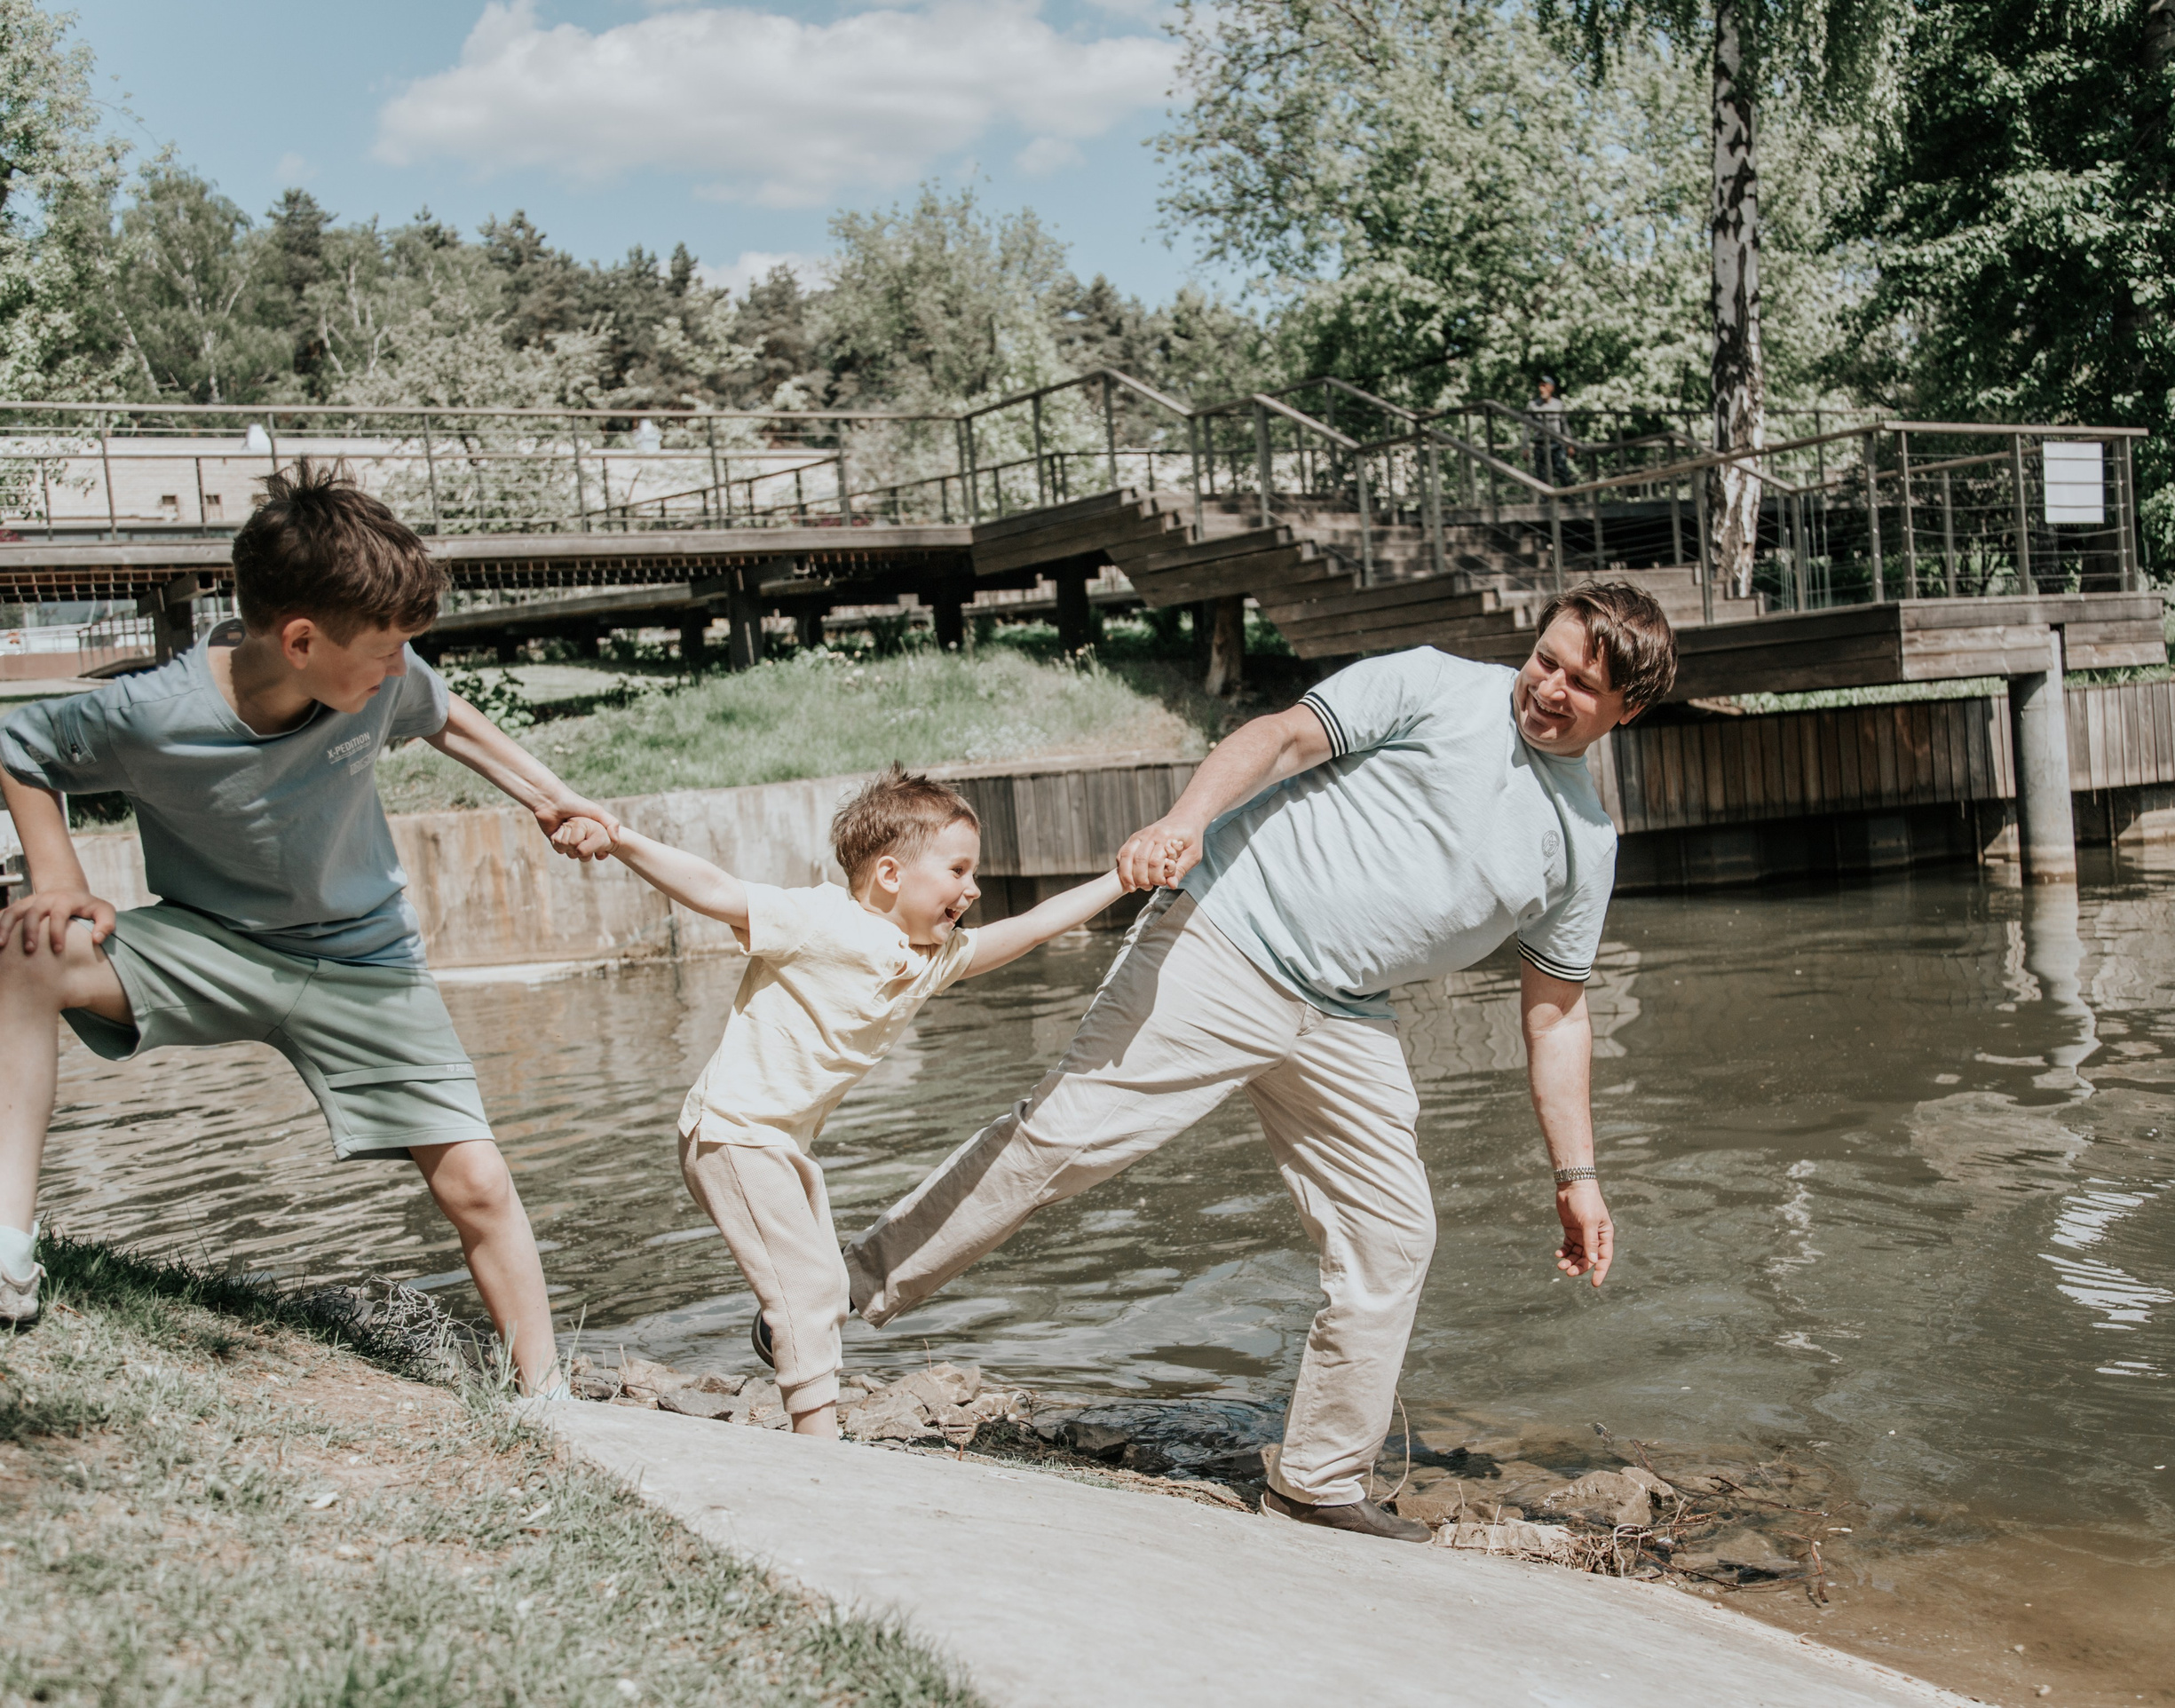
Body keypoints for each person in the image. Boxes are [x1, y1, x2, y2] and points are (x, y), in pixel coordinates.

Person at [842, 582, 1675, 1542]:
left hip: (1347, 1012)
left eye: (1580, 683)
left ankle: (1318, 1477)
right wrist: (1186, 820)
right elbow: (1277, 739)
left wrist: (1578, 1177)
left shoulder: (1583, 842)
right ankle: (844, 1293)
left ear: (1627, 709)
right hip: (1228, 931)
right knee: (1063, 1142)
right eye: (1546, 659)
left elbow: (1558, 1015)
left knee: (1392, 1236)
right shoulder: (1438, 685)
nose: (1548, 687)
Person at [0, 463, 618, 1396]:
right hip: (212, 949)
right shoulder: (154, 712)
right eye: (382, 652)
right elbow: (19, 746)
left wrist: (553, 799)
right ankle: (8, 1249)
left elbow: (448, 717)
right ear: (298, 639)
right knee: (27, 950)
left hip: (366, 962)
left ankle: (550, 1401)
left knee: (478, 1187)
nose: (396, 669)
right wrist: (58, 876)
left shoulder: (376, 673)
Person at [551, 765, 1134, 1436]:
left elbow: (1030, 928)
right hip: (731, 1133)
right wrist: (619, 838)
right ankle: (817, 1440)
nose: (973, 889)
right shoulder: (821, 920)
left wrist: (1121, 880)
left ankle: (795, 1361)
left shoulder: (930, 957)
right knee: (814, 1289)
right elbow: (715, 890)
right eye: (957, 870)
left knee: (822, 1280)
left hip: (778, 1144)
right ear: (890, 876)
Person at [1529, 373, 1578, 487]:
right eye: (1540, 386)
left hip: (1557, 443)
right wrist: (1525, 447)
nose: (1542, 389)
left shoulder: (1558, 404)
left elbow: (1564, 425)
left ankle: (1568, 497)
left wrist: (1570, 445)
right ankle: (1544, 500)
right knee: (1542, 474)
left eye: (1544, 386)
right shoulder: (1533, 405)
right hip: (1540, 444)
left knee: (1562, 470)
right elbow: (1526, 427)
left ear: (1551, 388)